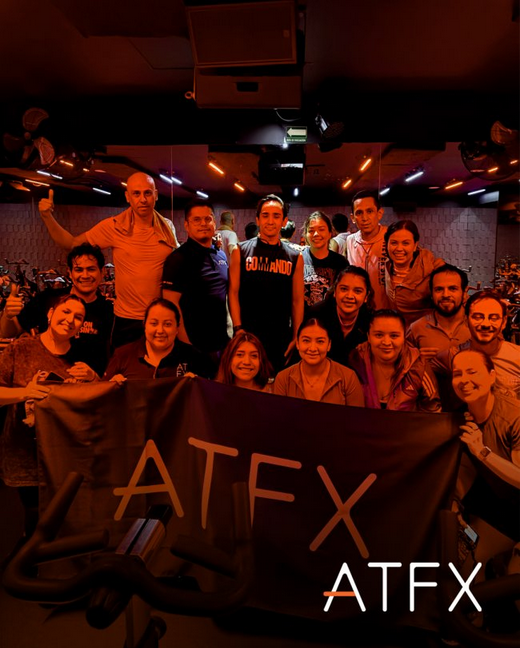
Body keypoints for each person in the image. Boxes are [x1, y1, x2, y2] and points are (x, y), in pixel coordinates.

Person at [37, 172, 179, 347]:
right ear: (128, 197)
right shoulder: (114, 226)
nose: (142, 199)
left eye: (147, 193)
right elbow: (71, 244)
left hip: (159, 317)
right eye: (136, 193)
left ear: (155, 195)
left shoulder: (167, 227)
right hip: (127, 320)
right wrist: (47, 217)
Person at [0, 294, 97, 534]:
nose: (70, 320)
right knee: (32, 526)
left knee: (64, 524)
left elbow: (99, 403)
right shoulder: (22, 347)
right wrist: (25, 393)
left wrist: (94, 377)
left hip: (67, 459)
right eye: (65, 312)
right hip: (25, 459)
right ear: (50, 314)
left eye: (78, 317)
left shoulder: (84, 356)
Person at [0, 243, 114, 377]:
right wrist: (8, 315)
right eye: (78, 270)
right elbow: (7, 332)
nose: (85, 275)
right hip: (45, 379)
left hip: (87, 385)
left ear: (102, 272)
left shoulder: (109, 311)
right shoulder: (48, 299)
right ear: (70, 273)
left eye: (91, 269)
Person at [229, 194, 304, 372]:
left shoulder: (295, 257)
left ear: (284, 221)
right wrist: (238, 328)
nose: (270, 221)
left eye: (276, 216)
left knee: (276, 383)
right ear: (258, 219)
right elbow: (232, 292)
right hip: (247, 334)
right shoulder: (240, 251)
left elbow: (297, 300)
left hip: (280, 336)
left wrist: (296, 336)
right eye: (265, 215)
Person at [451, 349, 520, 541]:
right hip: (498, 504)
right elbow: (466, 467)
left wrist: (482, 452)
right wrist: (455, 499)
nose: (464, 380)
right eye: (457, 374)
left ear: (491, 376)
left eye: (472, 372)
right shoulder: (460, 416)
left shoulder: (513, 417)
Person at [161, 200, 229, 370]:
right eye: (196, 220)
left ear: (214, 222)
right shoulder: (178, 259)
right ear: (186, 225)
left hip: (221, 345)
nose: (203, 224)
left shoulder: (220, 255)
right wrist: (187, 344)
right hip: (194, 347)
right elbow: (170, 305)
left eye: (208, 219)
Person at [432, 290, 520, 403]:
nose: (485, 324)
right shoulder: (451, 357)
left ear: (503, 322)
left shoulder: (517, 357)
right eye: (478, 317)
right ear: (466, 320)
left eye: (493, 318)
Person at [349, 309, 441, 411]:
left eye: (394, 336)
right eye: (379, 335)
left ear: (404, 337)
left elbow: (432, 408)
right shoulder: (356, 361)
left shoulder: (419, 365)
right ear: (369, 337)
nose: (386, 342)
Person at [104, 298, 210, 381]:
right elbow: (102, 395)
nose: (160, 330)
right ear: (144, 325)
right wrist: (112, 387)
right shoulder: (122, 355)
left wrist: (198, 386)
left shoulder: (194, 357)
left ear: (177, 328)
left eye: (167, 324)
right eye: (154, 323)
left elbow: (210, 396)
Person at [273, 318, 364, 406]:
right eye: (306, 341)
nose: (313, 348)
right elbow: (278, 415)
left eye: (320, 341)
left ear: (329, 345)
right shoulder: (283, 379)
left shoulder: (348, 378)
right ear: (297, 344)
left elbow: (357, 416)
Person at [384, 219, 444, 326]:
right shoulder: (387, 266)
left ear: (415, 245)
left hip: (425, 331)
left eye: (405, 243)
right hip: (398, 330)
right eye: (394, 243)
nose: (399, 248)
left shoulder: (434, 268)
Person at [308, 266, 371, 365]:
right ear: (335, 291)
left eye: (358, 291)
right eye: (344, 289)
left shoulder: (371, 322)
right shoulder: (316, 314)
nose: (349, 296)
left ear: (366, 296)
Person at [407, 264, 471, 358]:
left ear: (464, 292)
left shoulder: (477, 326)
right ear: (431, 294)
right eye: (439, 289)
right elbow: (402, 362)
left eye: (452, 289)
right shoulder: (416, 328)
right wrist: (416, 359)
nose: (445, 295)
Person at [346, 191, 390, 310]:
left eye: (369, 211)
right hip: (358, 310)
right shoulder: (350, 241)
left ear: (379, 213)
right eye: (359, 213)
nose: (364, 218)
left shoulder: (391, 237)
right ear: (353, 218)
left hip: (386, 311)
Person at [301, 211, 348, 309]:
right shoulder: (298, 259)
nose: (316, 234)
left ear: (330, 233)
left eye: (321, 229)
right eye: (311, 231)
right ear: (305, 234)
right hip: (304, 316)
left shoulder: (341, 262)